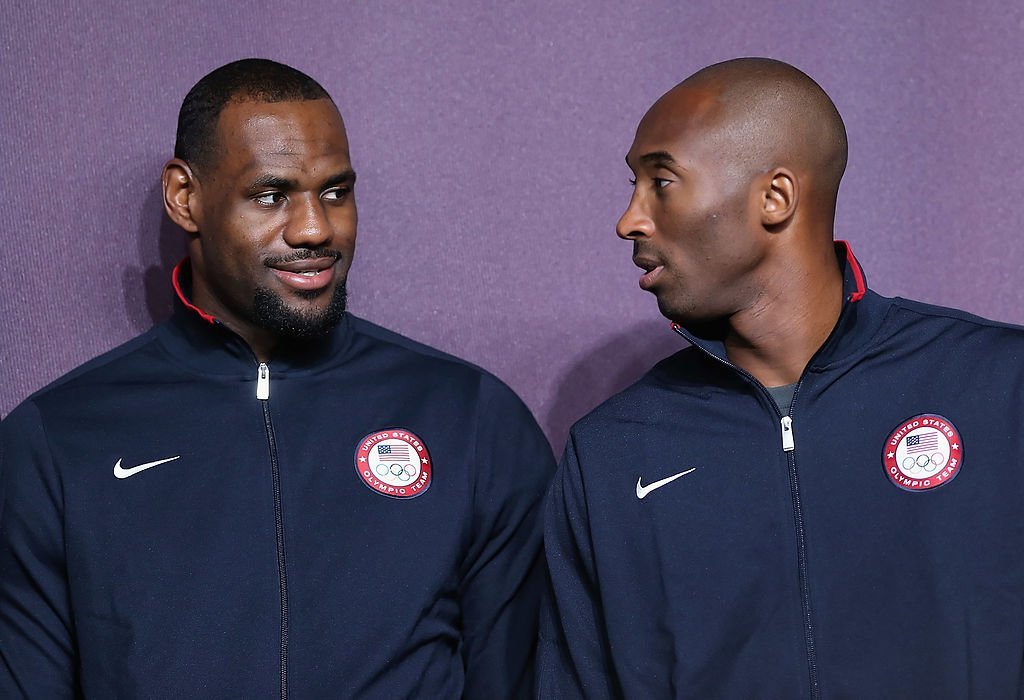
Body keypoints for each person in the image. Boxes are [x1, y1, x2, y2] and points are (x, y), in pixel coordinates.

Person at [0, 58, 554, 699]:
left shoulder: (470, 417)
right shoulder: (58, 440)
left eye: (335, 193)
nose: (315, 229)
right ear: (186, 197)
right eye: (271, 196)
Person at [538, 57, 1024, 698]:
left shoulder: (999, 387)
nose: (629, 220)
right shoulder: (612, 449)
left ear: (774, 198)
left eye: (661, 182)